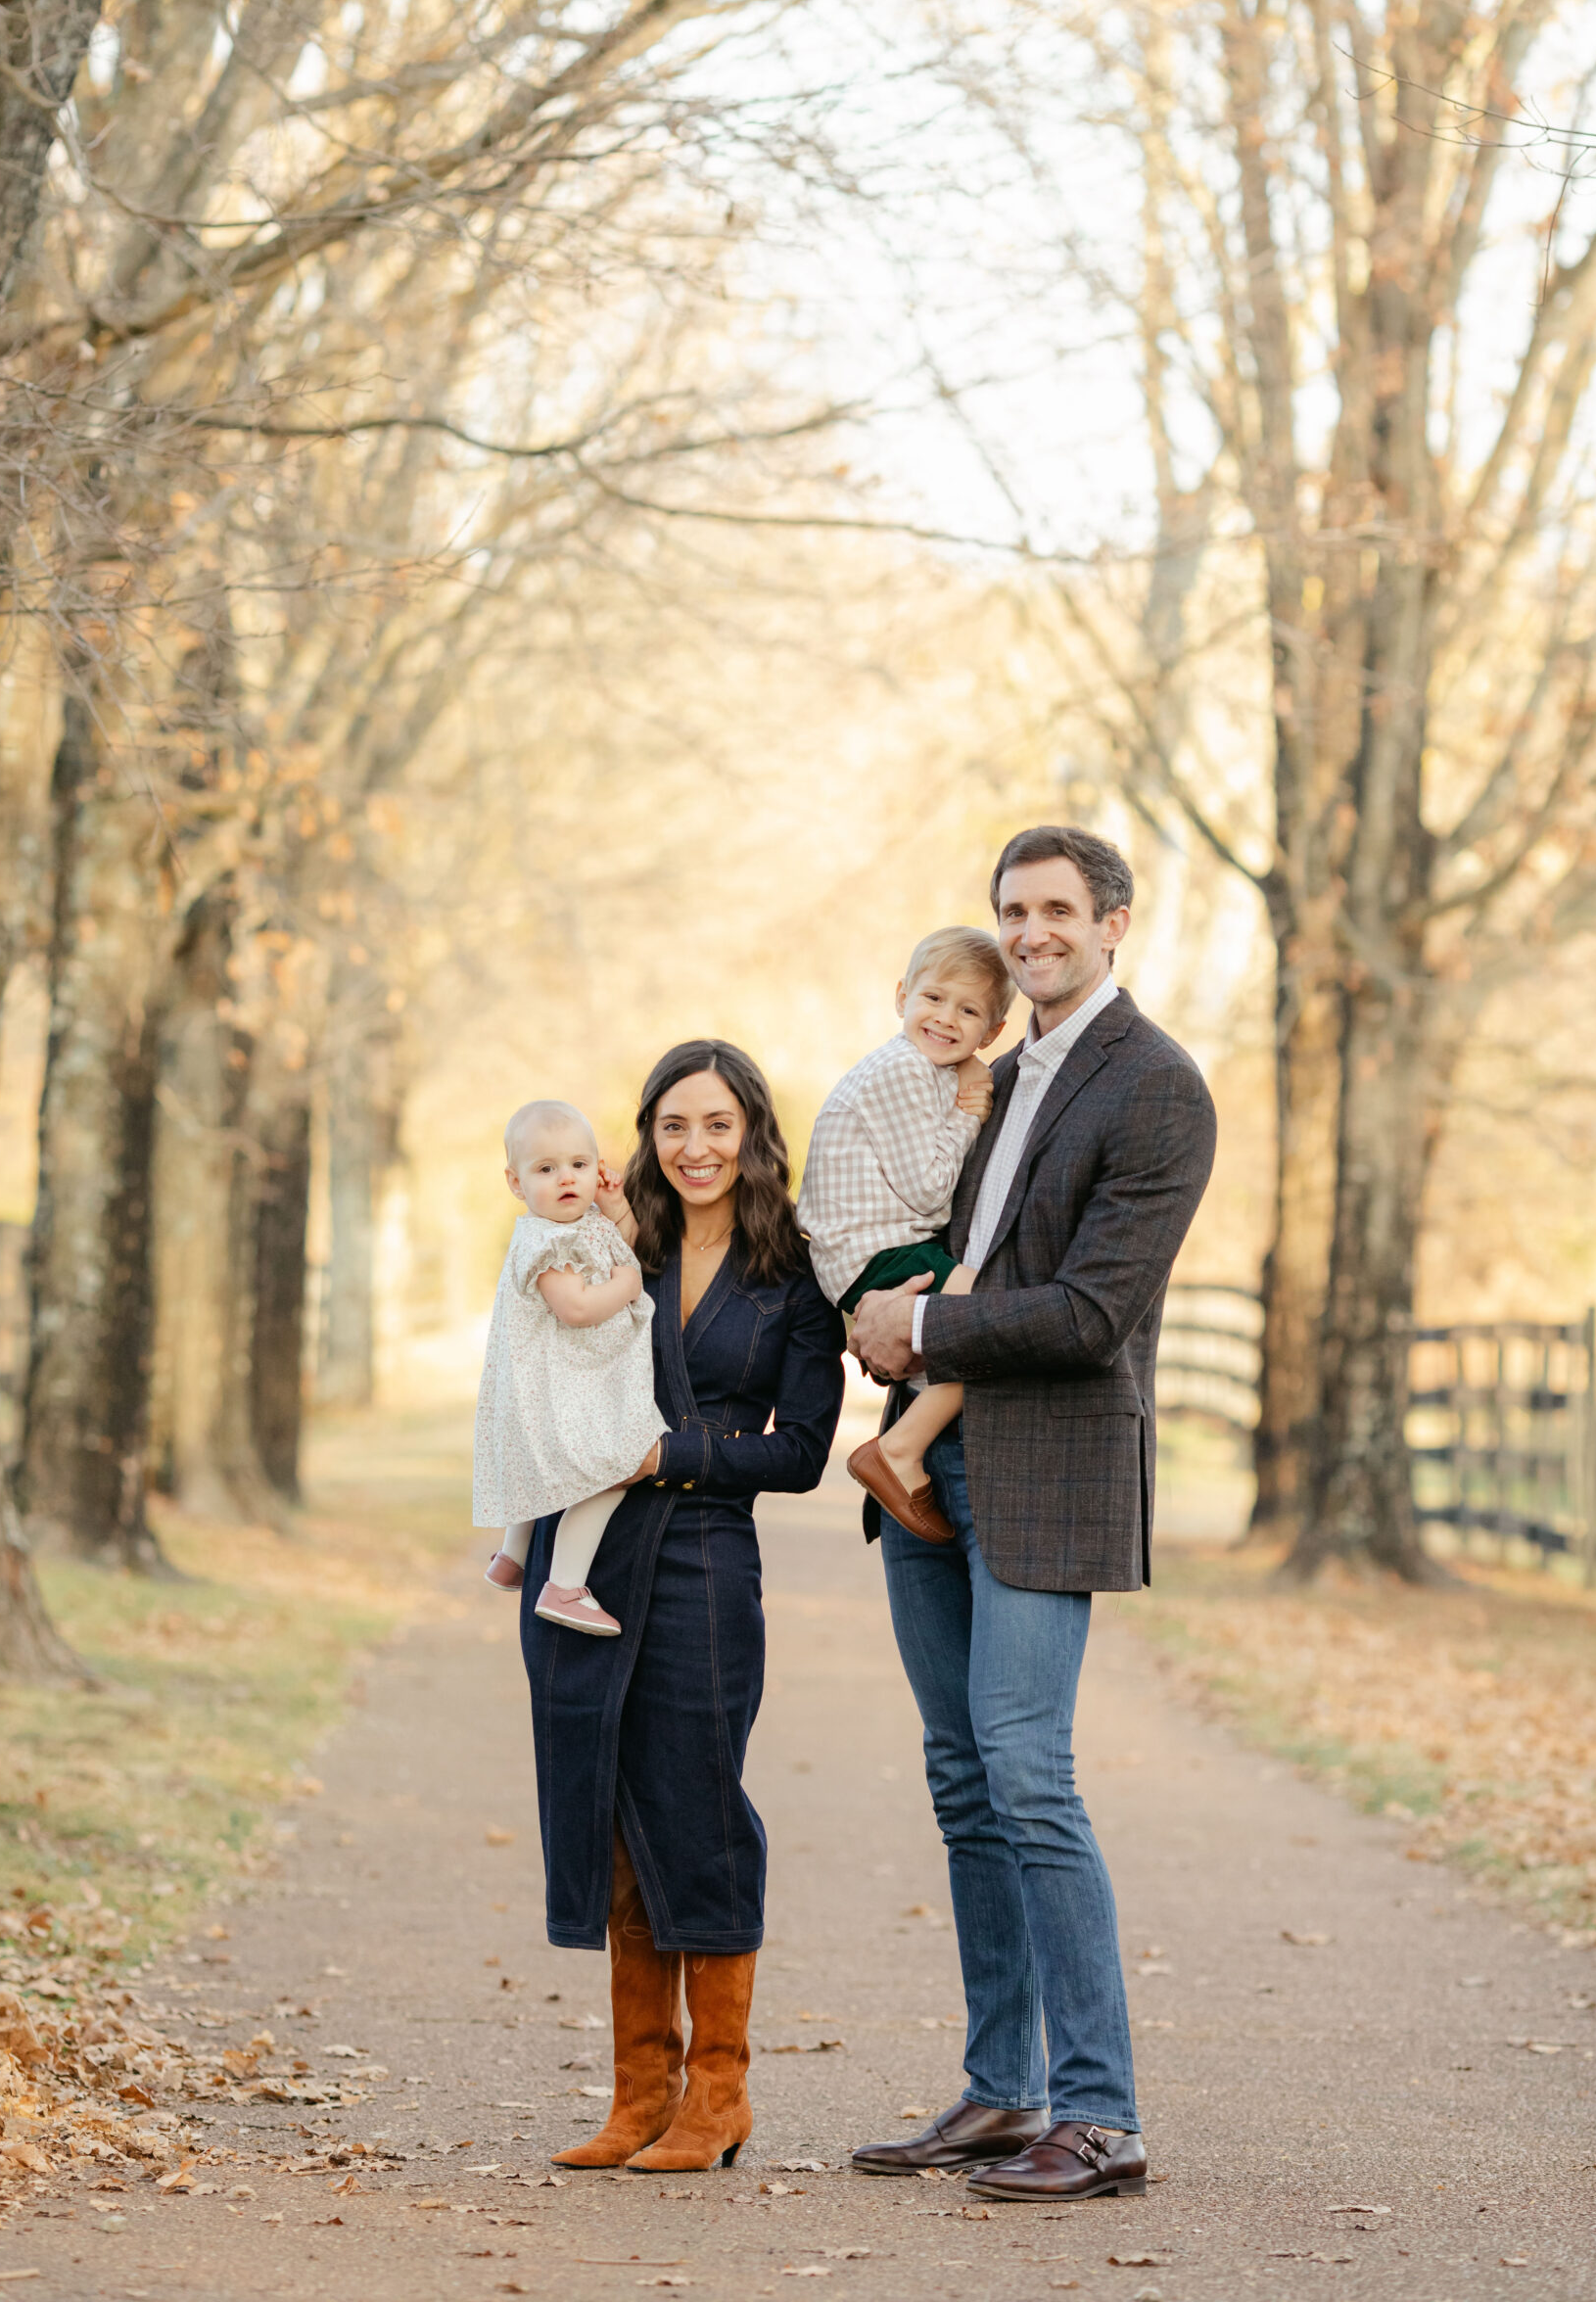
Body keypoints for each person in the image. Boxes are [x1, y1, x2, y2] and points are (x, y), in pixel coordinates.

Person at [846, 826, 1216, 2205]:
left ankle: (1100, 2110)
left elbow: (1087, 1313)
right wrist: (876, 1314)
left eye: (1056, 908)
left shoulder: (1157, 1089)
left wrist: (923, 1319)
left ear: (1113, 922)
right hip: (929, 1465)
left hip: (1050, 1467)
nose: (1029, 930)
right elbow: (922, 1240)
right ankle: (1002, 2092)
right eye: (1011, 910)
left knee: (1026, 1772)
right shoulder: (984, 1081)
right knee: (960, 1780)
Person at [519, 1040, 843, 2176]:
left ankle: (720, 2094)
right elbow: (538, 1358)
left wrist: (669, 1453)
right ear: (646, 1135)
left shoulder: (795, 1272)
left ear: (752, 1131)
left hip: (706, 1554)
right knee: (609, 1814)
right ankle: (637, 2093)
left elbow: (801, 1451)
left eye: (716, 1125)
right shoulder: (614, 1245)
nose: (694, 1147)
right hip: (589, 1554)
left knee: (694, 1808)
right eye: (672, 1125)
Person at [796, 926, 1010, 1543]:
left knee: (977, 1328)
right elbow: (928, 1189)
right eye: (934, 999)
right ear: (901, 996)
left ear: (991, 1033)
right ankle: (899, 1450)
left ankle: (912, 1444)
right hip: (870, 1252)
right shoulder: (903, 1072)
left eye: (968, 1010)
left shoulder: (926, 1070)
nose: (946, 1019)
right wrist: (972, 1117)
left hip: (880, 1246)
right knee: (994, 1313)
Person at [473, 1100, 667, 1634]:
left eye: (580, 1165)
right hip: (560, 1386)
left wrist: (616, 1200)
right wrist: (628, 1288)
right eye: (546, 1169)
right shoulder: (545, 1240)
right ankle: (564, 1585)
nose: (567, 1179)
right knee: (611, 1470)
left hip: (560, 1383)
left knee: (541, 1463)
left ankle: (513, 1554)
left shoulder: (585, 1224)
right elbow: (577, 1308)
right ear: (515, 1182)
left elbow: (626, 1246)